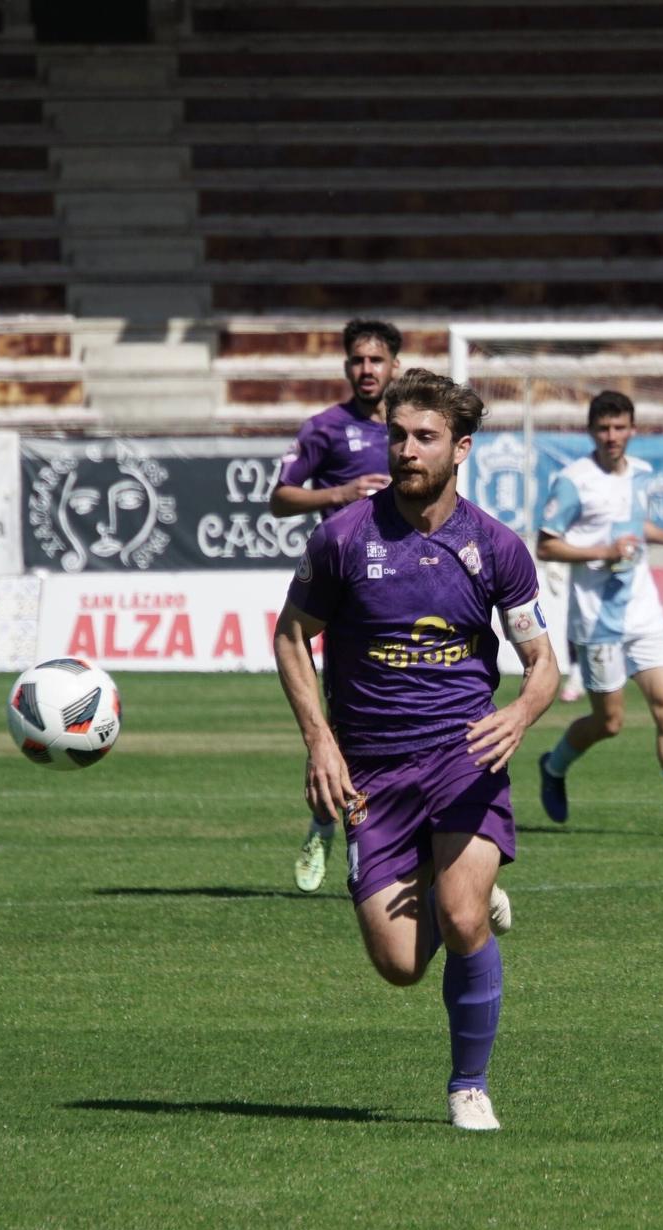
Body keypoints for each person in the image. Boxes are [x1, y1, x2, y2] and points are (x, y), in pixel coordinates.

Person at [272, 368, 557, 1132]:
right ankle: (449, 883)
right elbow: (291, 635)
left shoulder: (494, 546)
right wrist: (320, 742)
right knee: (400, 966)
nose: (406, 449)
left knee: (463, 920)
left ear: (460, 447)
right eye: (398, 434)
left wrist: (523, 713)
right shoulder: (342, 538)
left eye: (424, 437)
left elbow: (543, 666)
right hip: (373, 770)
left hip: (465, 755)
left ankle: (470, 1085)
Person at [534, 391, 663, 838]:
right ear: (590, 432)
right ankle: (555, 765)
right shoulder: (573, 480)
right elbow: (545, 544)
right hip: (596, 619)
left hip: (643, 611)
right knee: (611, 722)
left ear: (632, 430)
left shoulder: (640, 474)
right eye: (603, 429)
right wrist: (602, 551)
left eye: (620, 428)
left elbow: (633, 520)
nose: (612, 437)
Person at [271, 318, 401, 893]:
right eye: (357, 361)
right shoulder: (325, 429)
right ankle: (327, 821)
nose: (366, 370)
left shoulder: (413, 425)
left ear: (395, 364)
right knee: (343, 720)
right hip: (348, 586)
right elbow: (280, 498)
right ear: (347, 367)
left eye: (376, 360)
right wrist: (339, 494)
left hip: (411, 582)